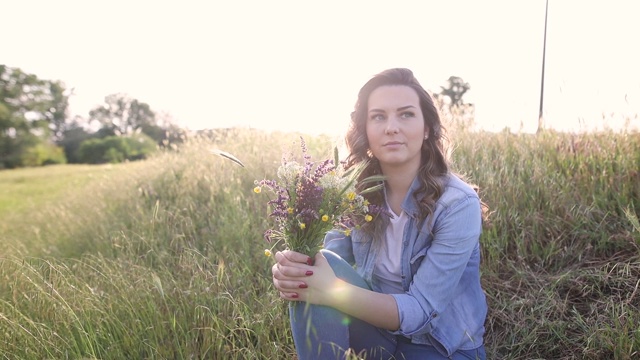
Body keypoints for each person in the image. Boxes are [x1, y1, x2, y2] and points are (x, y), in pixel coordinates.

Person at [271, 68, 488, 359]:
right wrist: (294, 272)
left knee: (320, 282)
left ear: (426, 129)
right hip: (378, 333)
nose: (391, 127)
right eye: (378, 116)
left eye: (406, 114)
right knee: (313, 271)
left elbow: (420, 312)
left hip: (439, 346)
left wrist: (331, 290)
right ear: (366, 130)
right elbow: (330, 263)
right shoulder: (352, 195)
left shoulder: (457, 204)